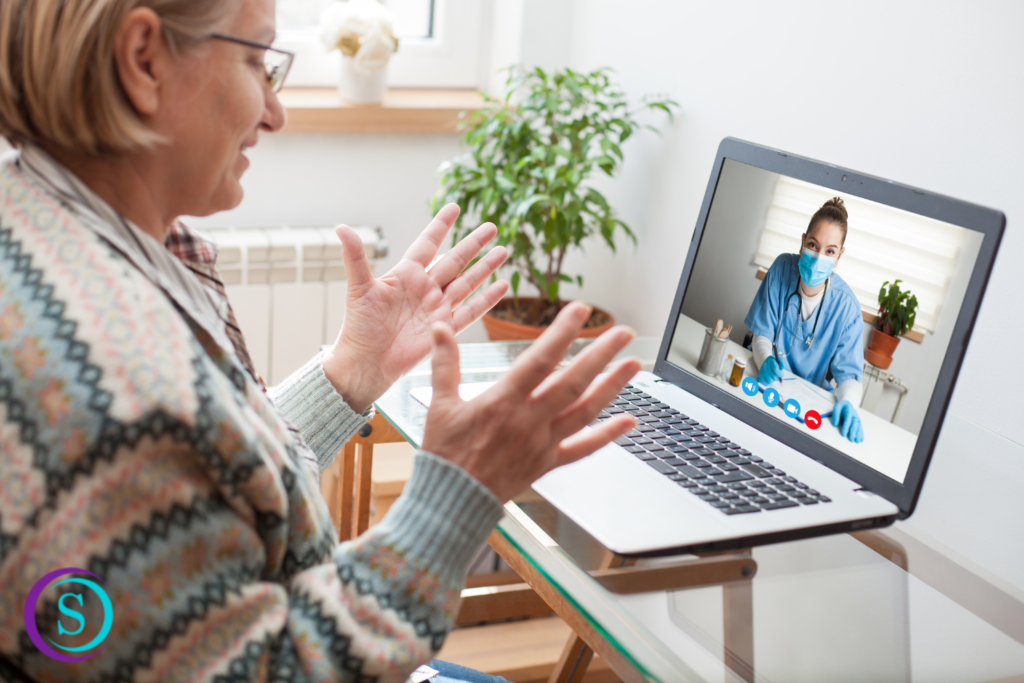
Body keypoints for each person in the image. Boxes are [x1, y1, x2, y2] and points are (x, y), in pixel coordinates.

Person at [0, 1, 640, 681]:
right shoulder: (107, 378)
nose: (276, 112)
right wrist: (456, 493)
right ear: (143, 59)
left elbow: (202, 483)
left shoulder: (58, 226)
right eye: (257, 60)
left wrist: (351, 372)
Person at [744, 197, 865, 443]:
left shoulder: (847, 309)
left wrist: (850, 403)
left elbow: (849, 377)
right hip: (764, 385)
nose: (819, 256)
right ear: (802, 243)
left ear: (839, 256)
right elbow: (762, 334)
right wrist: (765, 359)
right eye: (813, 244)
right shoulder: (781, 269)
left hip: (805, 406)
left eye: (830, 251)